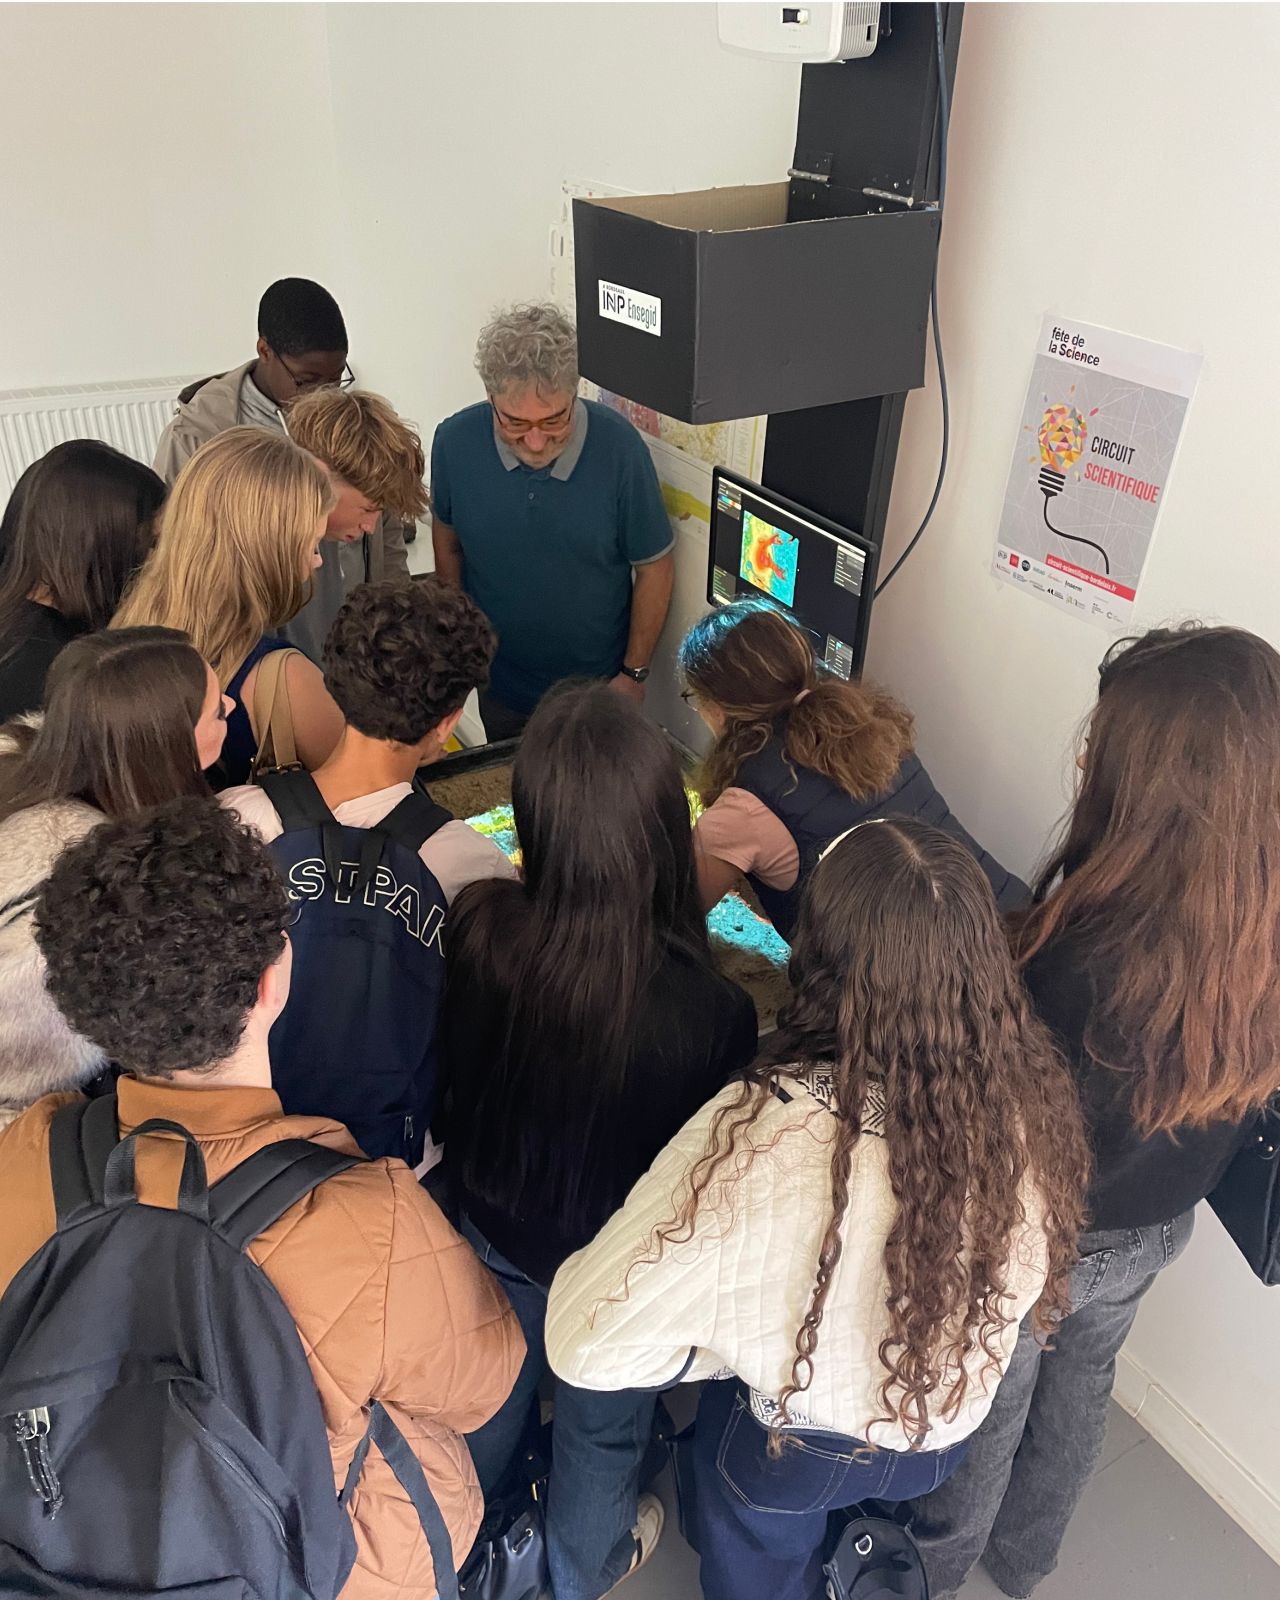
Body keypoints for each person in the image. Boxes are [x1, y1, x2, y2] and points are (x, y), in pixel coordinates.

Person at [545, 818, 1089, 1600]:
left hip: (788, 1448)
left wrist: (721, 1349)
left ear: (819, 957)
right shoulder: (1036, 1109)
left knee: (761, 1564)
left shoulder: (763, 1131)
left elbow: (582, 1338)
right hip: (935, 1433)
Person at [1, 796, 524, 1598]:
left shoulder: (28, 1150)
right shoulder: (372, 1218)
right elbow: (485, 1381)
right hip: (312, 1565)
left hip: (64, 1543)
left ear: (87, 1012)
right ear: (276, 975)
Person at [908, 623, 1280, 1600]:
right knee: (1084, 1381)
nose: (1082, 762)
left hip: (1046, 1234)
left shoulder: (1077, 959)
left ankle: (934, 1566)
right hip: (1159, 1226)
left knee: (993, 1394)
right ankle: (1026, 1559)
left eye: (1102, 748)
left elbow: (998, 1122)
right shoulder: (1253, 930)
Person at [441, 681, 758, 1598]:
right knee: (602, 1432)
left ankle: (462, 1552)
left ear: (535, 823)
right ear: (662, 830)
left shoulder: (483, 929)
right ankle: (578, 1575)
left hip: (492, 1225)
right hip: (620, 1272)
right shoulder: (714, 1009)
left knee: (487, 1400)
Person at [222, 577, 515, 1164]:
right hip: (392, 1161)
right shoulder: (472, 865)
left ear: (336, 685)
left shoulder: (233, 820)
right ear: (447, 723)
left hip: (248, 1143)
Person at [680, 598, 1027, 938]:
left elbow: (676, 914)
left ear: (719, 709)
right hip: (1020, 923)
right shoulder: (879, 730)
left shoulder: (747, 803)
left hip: (935, 970)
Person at [0, 627, 229, 1132]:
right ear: (167, 745)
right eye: (216, 711)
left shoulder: (24, 773)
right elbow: (27, 1081)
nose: (231, 706)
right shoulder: (80, 905)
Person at [431, 303, 674, 737]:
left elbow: (655, 566)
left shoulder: (620, 449)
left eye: (554, 420)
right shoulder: (453, 442)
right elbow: (447, 538)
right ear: (490, 398)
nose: (536, 441)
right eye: (515, 422)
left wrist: (633, 674)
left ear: (575, 393)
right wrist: (459, 646)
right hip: (500, 686)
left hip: (597, 693)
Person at [152, 277, 411, 658]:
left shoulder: (347, 425)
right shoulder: (198, 436)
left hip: (351, 642)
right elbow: (177, 561)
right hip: (265, 652)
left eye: (335, 380)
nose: (323, 394)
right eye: (307, 381)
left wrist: (397, 623)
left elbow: (386, 538)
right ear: (265, 351)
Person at [114, 427, 345, 788]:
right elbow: (369, 794)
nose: (318, 561)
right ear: (268, 550)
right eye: (312, 545)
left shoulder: (121, 636)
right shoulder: (283, 678)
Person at [0, 441, 166, 721]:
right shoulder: (61, 672)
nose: (162, 559)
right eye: (153, 543)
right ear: (104, 551)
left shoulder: (16, 610)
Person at [282, 387, 430, 657]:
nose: (370, 527)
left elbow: (394, 586)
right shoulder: (269, 549)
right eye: (367, 509)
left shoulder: (370, 503)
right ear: (321, 475)